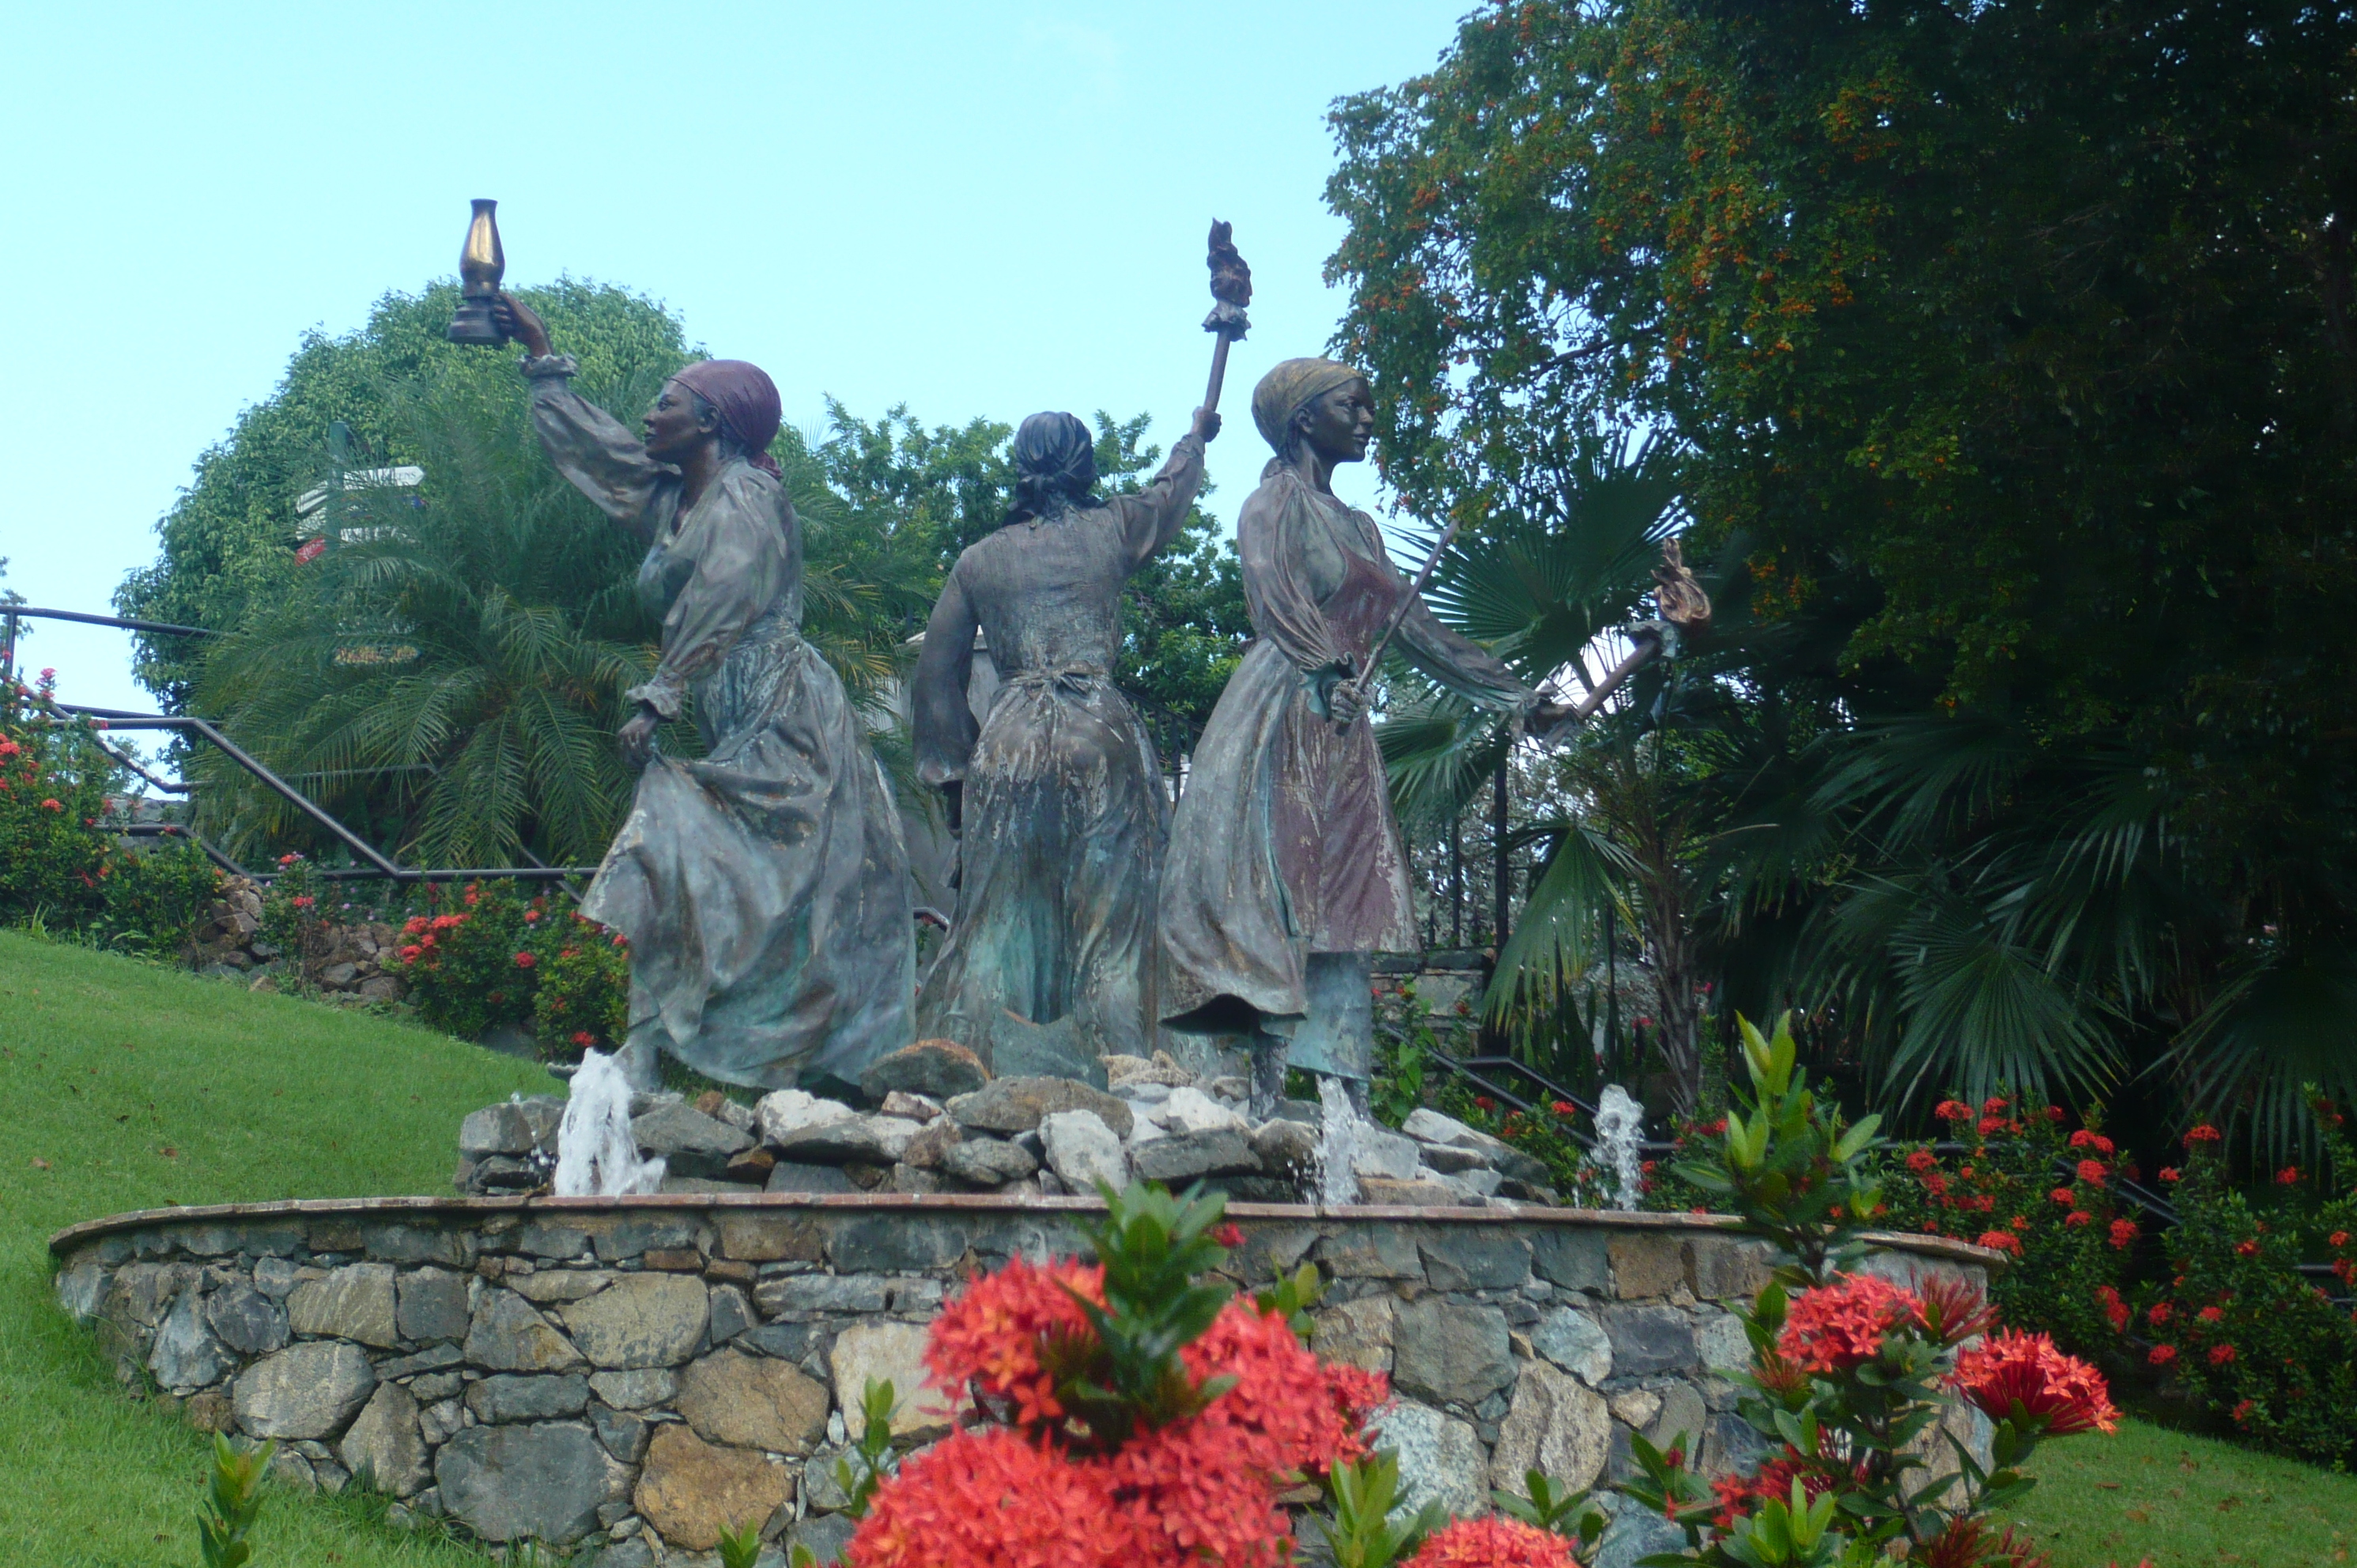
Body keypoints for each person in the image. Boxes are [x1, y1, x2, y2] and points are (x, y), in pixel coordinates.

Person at [491, 293, 914, 1092]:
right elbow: (600, 455)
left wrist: (663, 690)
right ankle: (657, 1048)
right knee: (693, 867)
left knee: (685, 851)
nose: (650, 414)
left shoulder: (746, 495)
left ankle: (684, 1054)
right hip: (734, 706)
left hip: (782, 711)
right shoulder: (673, 497)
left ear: (713, 420)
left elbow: (728, 587)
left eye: (667, 403)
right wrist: (543, 359)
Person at [1158, 358, 1570, 1117]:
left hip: (1343, 734)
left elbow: (1415, 628)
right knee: (1278, 894)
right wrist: (1322, 671)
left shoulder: (1359, 526)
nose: (1368, 418)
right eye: (1353, 404)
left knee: (1341, 907)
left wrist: (1516, 695)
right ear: (1303, 418)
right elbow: (1273, 599)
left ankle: (1344, 1102)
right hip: (1281, 715)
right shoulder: (1268, 504)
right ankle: (1265, 1093)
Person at [910, 407, 1215, 1076]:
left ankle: (971, 1069)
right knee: (1114, 929)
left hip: (1009, 742)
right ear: (1085, 465)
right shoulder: (1112, 529)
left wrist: (958, 778)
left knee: (995, 922)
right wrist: (1195, 439)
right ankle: (1128, 1071)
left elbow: (935, 678)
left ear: (1020, 466)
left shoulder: (978, 561)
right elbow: (1167, 496)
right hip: (1098, 736)